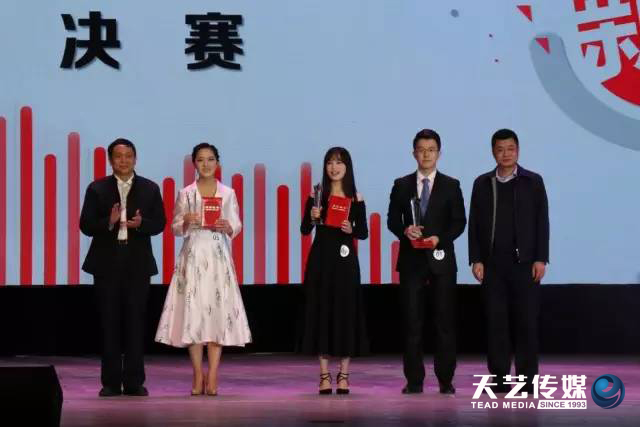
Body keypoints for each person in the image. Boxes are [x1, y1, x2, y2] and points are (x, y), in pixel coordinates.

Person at [155, 143, 251, 396]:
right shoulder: (186, 193)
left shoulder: (227, 193)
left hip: (218, 256)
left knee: (217, 312)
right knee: (194, 312)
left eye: (210, 159)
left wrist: (227, 226)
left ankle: (214, 373)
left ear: (217, 162)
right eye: (200, 160)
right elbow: (175, 228)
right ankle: (198, 373)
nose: (206, 164)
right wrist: (186, 221)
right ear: (194, 164)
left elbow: (236, 225)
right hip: (194, 255)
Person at [80, 138, 166, 397]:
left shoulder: (150, 188)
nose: (124, 160)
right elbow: (85, 225)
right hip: (106, 264)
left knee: (135, 323)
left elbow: (160, 223)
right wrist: (109, 221)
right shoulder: (97, 188)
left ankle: (134, 382)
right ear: (110, 160)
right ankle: (110, 382)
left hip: (137, 264)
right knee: (109, 323)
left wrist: (141, 223)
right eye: (118, 156)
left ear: (135, 158)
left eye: (128, 156)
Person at [468, 128, 549, 394]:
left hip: (525, 265)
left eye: (510, 149)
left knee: (526, 324)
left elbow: (542, 222)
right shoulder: (482, 183)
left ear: (518, 151)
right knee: (496, 324)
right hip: (492, 266)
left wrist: (541, 258)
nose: (506, 154)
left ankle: (527, 381)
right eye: (500, 149)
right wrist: (476, 259)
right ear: (493, 152)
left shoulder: (533, 181)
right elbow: (474, 224)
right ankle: (500, 379)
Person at [387, 129, 466, 395]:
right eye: (421, 150)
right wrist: (405, 231)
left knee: (445, 323)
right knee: (412, 324)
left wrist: (439, 239)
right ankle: (414, 380)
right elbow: (391, 220)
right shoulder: (401, 184)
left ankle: (445, 379)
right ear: (414, 154)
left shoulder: (451, 185)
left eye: (431, 150)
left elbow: (459, 222)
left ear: (439, 153)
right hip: (411, 262)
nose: (426, 155)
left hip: (442, 262)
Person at [299, 147, 369, 395]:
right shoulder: (317, 195)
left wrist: (352, 229)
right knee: (321, 313)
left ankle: (344, 375)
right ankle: (324, 376)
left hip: (346, 263)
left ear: (347, 167)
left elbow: (364, 232)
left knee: (346, 314)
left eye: (339, 162)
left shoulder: (356, 197)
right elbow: (304, 230)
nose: (334, 167)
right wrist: (312, 216)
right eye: (329, 162)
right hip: (321, 261)